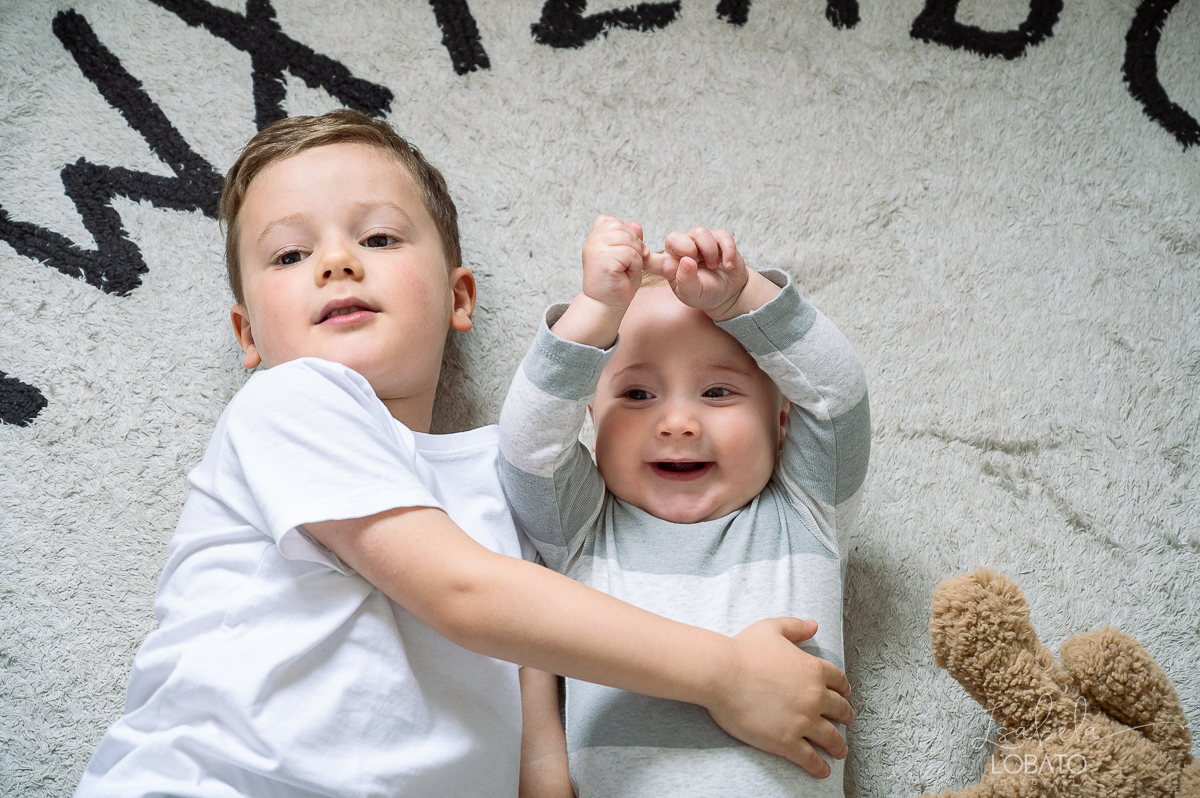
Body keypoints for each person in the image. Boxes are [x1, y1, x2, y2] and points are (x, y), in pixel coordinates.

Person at [73, 111, 855, 798]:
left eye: (379, 238)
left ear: (458, 298)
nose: (336, 262)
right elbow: (465, 594)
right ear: (249, 336)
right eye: (288, 256)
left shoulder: (498, 483)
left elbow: (536, 718)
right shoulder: (292, 403)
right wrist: (722, 673)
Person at [499, 216, 870, 796]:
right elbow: (529, 444)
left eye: (717, 392)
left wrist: (741, 298)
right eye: (637, 394)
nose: (676, 423)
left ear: (782, 419)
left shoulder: (805, 512)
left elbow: (835, 393)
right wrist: (594, 311)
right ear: (590, 420)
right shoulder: (584, 530)